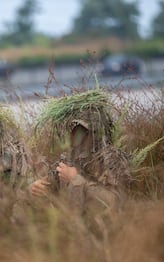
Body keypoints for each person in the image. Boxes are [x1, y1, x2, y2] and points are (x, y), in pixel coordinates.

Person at [25, 90, 132, 232]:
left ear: (95, 131)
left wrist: (76, 179)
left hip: (105, 231)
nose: (75, 136)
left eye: (81, 130)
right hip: (72, 232)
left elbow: (117, 202)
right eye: (72, 130)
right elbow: (47, 185)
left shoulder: (112, 159)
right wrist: (35, 188)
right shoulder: (67, 160)